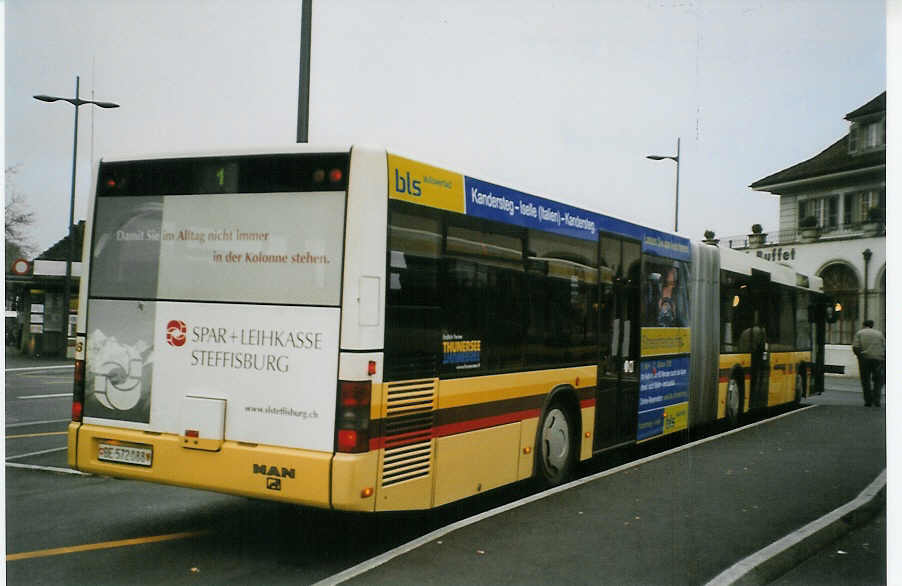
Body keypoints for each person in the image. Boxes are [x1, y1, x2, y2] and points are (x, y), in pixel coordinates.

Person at [852, 320, 886, 407]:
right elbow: (884, 346)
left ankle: (868, 400)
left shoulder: (860, 333)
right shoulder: (879, 334)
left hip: (865, 359)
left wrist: (860, 357)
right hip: (878, 359)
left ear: (863, 325)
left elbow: (856, 347)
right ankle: (876, 399)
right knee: (878, 380)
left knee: (865, 380)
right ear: (872, 325)